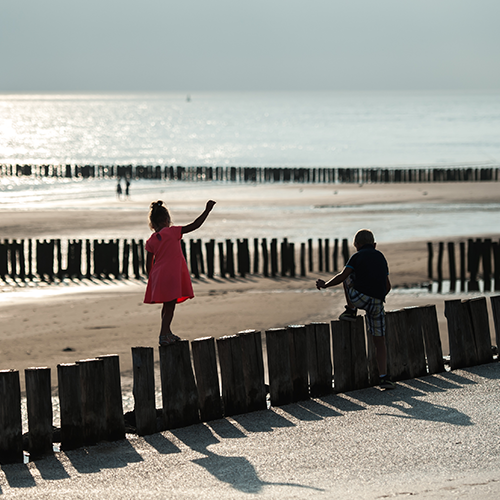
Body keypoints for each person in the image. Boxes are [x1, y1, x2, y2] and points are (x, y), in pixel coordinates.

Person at [315, 229, 394, 389]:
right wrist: (377, 297)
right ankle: (384, 377)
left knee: (348, 276)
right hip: (378, 302)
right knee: (379, 341)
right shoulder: (380, 257)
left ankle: (351, 310)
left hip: (359, 299)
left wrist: (325, 285)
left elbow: (341, 277)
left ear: (356, 245)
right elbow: (387, 286)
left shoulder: (356, 256)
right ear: (374, 244)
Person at [144, 200, 216, 345]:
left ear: (152, 223)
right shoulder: (173, 232)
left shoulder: (151, 240)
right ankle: (163, 335)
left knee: (167, 305)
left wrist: (151, 279)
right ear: (167, 220)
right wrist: (207, 210)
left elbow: (148, 264)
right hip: (171, 275)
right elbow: (195, 225)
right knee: (170, 305)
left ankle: (167, 331)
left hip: (158, 275)